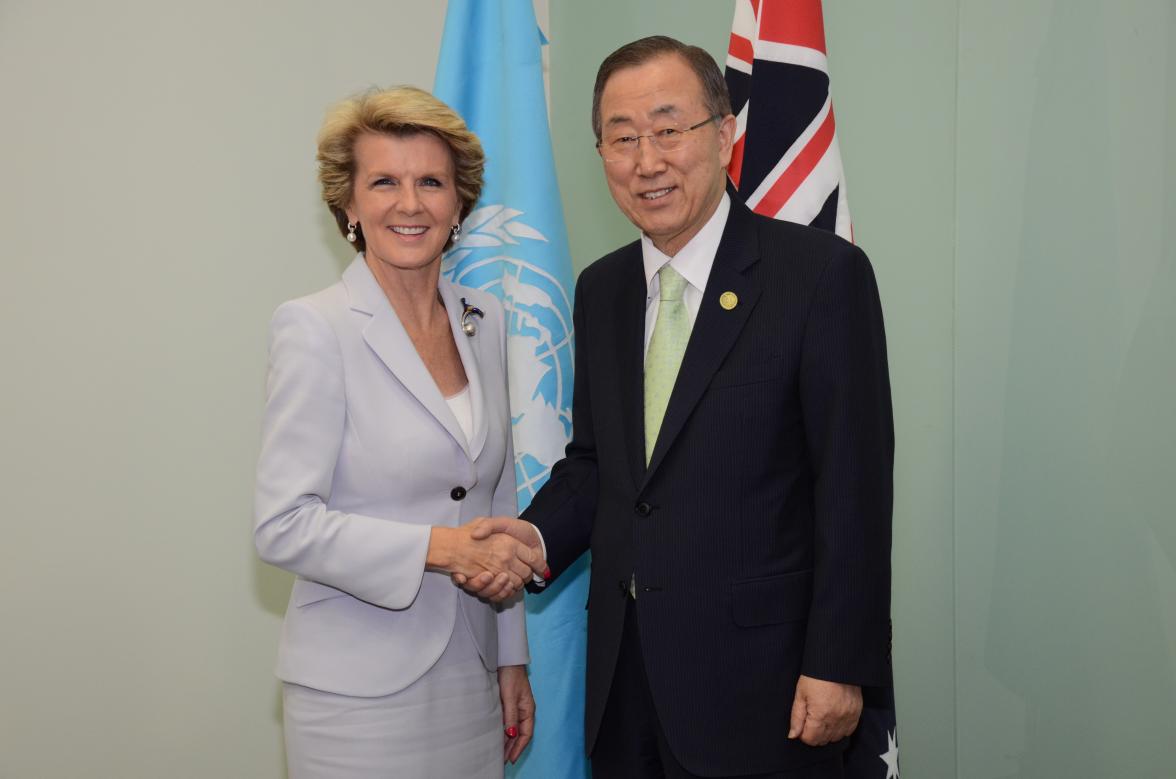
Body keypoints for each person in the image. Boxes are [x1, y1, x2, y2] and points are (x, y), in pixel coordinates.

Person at [462, 37, 894, 778]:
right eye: (621, 137)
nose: (646, 159)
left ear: (723, 133)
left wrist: (838, 663)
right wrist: (533, 537)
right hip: (627, 688)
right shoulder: (604, 290)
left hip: (773, 691)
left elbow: (852, 486)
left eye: (669, 129)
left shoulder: (819, 276)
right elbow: (603, 465)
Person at [253, 85, 545, 778]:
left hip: (472, 684)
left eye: (431, 183)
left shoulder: (487, 317)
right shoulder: (314, 327)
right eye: (384, 181)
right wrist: (438, 548)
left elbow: (495, 500)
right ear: (349, 205)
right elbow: (282, 524)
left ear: (458, 203)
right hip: (354, 696)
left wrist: (511, 655)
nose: (409, 204)